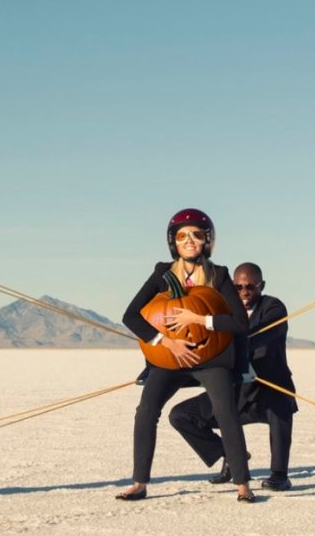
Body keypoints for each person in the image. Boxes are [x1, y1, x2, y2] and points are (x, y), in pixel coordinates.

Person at [117, 209, 255, 504]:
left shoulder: (218, 275)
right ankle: (139, 483)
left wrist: (200, 319)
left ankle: (243, 483)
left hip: (212, 356)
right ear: (173, 242)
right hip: (170, 358)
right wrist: (166, 342)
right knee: (146, 411)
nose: (189, 240)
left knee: (225, 411)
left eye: (196, 235)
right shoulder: (162, 274)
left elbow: (240, 323)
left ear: (208, 240)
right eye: (182, 236)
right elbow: (131, 316)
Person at [167, 262, 298, 491]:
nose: (244, 292)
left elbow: (257, 337)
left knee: (280, 410)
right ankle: (232, 454)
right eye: (238, 287)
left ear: (261, 286)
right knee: (181, 415)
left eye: (250, 286)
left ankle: (279, 475)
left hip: (269, 388)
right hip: (236, 390)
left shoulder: (274, 308)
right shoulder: (224, 311)